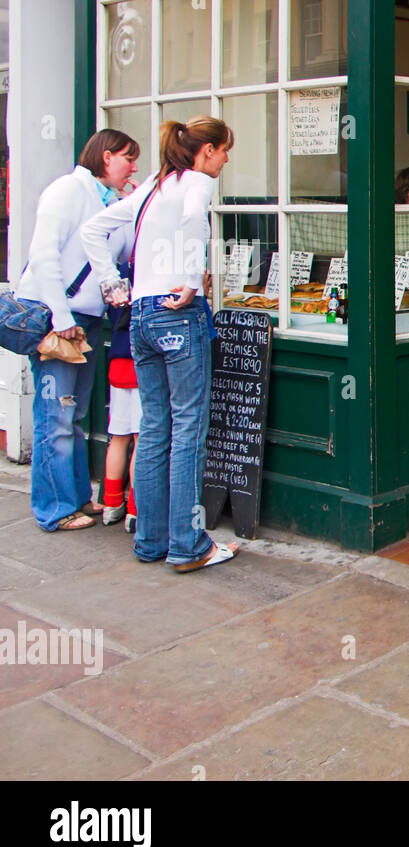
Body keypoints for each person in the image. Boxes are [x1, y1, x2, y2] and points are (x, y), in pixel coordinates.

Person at [82, 116, 240, 572]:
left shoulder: (153, 182)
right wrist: (192, 280)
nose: (226, 159)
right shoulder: (195, 182)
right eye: (224, 150)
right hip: (178, 313)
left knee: (153, 429)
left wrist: (113, 285)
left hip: (142, 315)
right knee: (188, 429)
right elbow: (194, 222)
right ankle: (189, 545)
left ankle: (150, 541)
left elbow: (94, 230)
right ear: (206, 150)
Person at [16, 129, 139, 531]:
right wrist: (61, 316)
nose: (133, 166)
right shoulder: (67, 191)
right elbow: (44, 255)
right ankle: (53, 510)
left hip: (86, 320)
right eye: (127, 158)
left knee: (76, 415)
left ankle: (76, 500)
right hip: (60, 320)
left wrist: (129, 208)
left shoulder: (109, 202)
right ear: (105, 157)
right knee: (56, 416)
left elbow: (122, 257)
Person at [102, 302, 140, 531]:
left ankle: (111, 503)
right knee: (141, 440)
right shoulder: (151, 279)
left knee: (118, 437)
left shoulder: (117, 279)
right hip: (141, 363)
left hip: (117, 361)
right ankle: (135, 511)